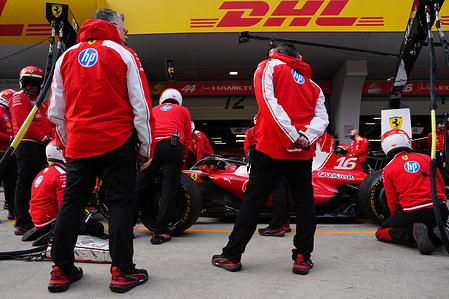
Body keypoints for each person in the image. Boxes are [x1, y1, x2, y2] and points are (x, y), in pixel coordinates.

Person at [47, 8, 154, 293]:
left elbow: (56, 111)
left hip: (79, 145)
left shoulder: (66, 57)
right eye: (124, 26)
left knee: (72, 203)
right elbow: (141, 106)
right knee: (119, 205)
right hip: (117, 142)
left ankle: (60, 269)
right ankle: (122, 271)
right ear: (110, 25)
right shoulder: (123, 54)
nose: (126, 32)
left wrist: (69, 142)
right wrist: (145, 146)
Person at [212, 43, 328, 275]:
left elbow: (268, 104)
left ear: (275, 53)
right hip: (303, 152)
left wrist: (291, 137)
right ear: (298, 57)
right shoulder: (313, 85)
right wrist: (304, 137)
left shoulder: (268, 66)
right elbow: (323, 118)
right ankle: (303, 258)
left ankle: (232, 256)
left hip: (271, 148)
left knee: (253, 203)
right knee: (305, 204)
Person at [375, 129, 449, 255]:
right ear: (407, 142)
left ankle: (412, 234)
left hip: (413, 212)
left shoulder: (388, 169)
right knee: (434, 224)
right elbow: (441, 187)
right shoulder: (426, 158)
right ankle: (440, 231)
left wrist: (397, 217)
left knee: (381, 231)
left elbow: (392, 200)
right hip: (440, 210)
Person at [135, 88, 191, 245]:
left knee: (139, 187)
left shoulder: (153, 110)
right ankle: (159, 232)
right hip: (173, 146)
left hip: (153, 147)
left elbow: (143, 131)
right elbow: (187, 137)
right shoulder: (183, 110)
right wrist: (182, 156)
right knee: (169, 191)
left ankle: (126, 228)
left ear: (162, 100)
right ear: (178, 100)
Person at [24, 140, 105, 245]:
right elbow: (65, 205)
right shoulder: (61, 175)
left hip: (39, 219)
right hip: (51, 220)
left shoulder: (44, 171)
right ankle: (55, 233)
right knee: (98, 228)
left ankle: (50, 230)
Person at [9, 66, 52, 235]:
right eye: (28, 82)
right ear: (22, 83)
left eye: (35, 82)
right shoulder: (18, 98)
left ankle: (35, 217)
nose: (32, 85)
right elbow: (23, 124)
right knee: (25, 182)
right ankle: (21, 220)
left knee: (39, 183)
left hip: (42, 146)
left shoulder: (41, 102)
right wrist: (45, 139)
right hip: (27, 145)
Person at [244, 122, 292, 237]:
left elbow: (247, 150)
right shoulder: (281, 127)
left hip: (268, 162)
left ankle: (277, 226)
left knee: (278, 191)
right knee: (286, 189)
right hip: (286, 159)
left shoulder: (252, 131)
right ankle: (285, 222)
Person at [0, 89, 18, 220]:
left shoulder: (10, 113)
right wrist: (10, 138)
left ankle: (12, 210)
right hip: (1, 152)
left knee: (11, 183)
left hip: (10, 153)